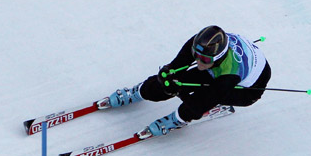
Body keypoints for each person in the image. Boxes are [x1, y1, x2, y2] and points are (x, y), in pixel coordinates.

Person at [97, 25, 271, 137]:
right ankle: (140, 91)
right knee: (174, 80)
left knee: (200, 99)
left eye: (205, 60)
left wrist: (178, 91)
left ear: (218, 57)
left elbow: (198, 104)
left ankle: (178, 120)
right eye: (197, 56)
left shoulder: (229, 74)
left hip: (248, 89)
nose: (199, 61)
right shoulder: (199, 43)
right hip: (222, 68)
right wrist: (167, 77)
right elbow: (175, 68)